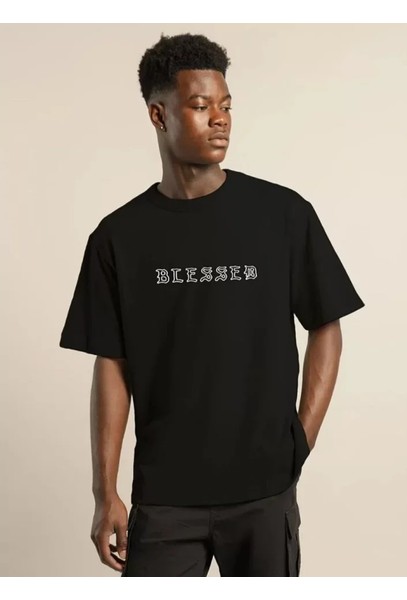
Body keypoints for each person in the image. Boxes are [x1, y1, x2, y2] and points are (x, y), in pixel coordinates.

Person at [59, 32, 365, 577]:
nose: (220, 119)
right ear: (159, 115)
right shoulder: (118, 237)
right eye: (201, 106)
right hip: (164, 497)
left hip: (265, 491)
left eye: (226, 105)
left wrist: (301, 438)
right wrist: (105, 492)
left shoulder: (282, 215)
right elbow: (111, 362)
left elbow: (327, 324)